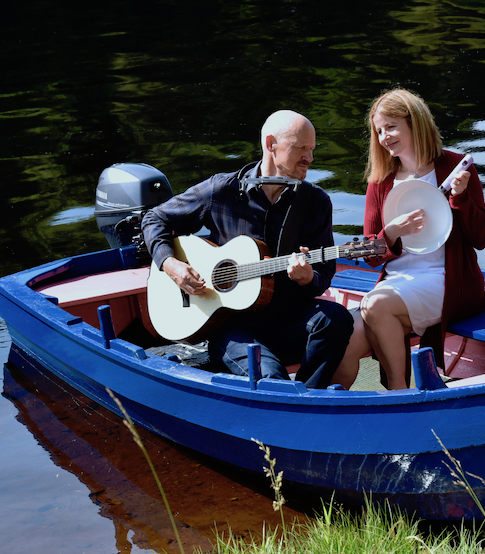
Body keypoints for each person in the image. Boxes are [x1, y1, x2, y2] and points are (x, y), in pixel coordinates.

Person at [141, 110, 354, 389]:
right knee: (272, 379)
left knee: (336, 320)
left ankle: (307, 397)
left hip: (287, 317)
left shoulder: (315, 202)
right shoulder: (222, 191)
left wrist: (307, 278)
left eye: (312, 149)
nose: (310, 158)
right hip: (229, 323)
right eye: (301, 148)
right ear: (270, 144)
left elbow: (323, 273)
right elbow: (154, 218)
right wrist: (171, 265)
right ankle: (290, 402)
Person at [332, 89, 485, 390]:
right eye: (379, 131)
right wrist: (391, 232)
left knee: (376, 305)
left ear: (414, 122)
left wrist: (460, 198)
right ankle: (330, 413)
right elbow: (371, 255)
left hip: (448, 280)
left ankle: (398, 391)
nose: (384, 137)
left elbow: (482, 238)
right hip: (398, 282)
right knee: (346, 342)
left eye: (391, 126)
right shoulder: (380, 182)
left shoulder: (456, 168)